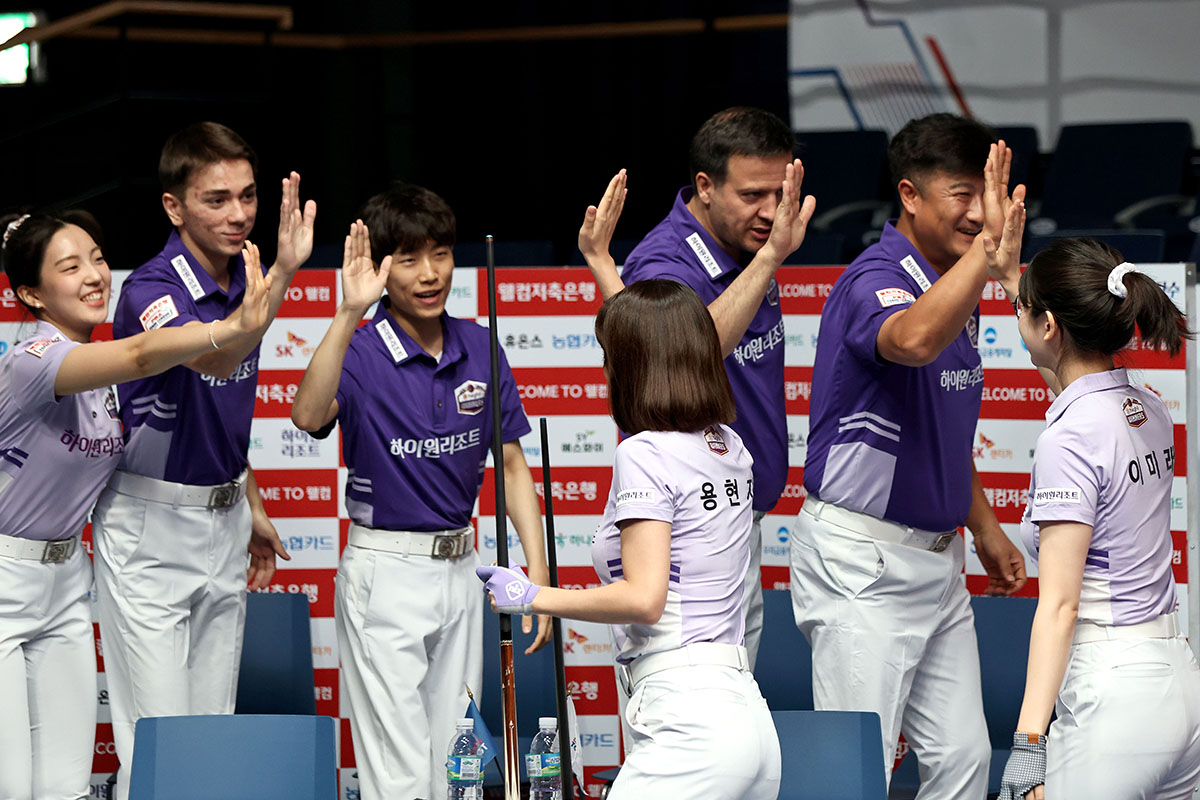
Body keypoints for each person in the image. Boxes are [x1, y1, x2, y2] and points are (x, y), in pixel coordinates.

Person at [791, 114, 1029, 798]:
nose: (981, 212)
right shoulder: (877, 278)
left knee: (964, 759)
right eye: (964, 192)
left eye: (990, 194)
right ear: (911, 195)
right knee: (854, 772)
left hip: (938, 562)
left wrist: (983, 527)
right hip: (864, 565)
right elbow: (914, 341)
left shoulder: (956, 278)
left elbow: (940, 421)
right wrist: (989, 253)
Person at [290, 184, 552, 800]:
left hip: (463, 571)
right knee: (399, 770)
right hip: (386, 573)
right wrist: (349, 311)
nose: (430, 273)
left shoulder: (480, 345)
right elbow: (306, 415)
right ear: (380, 268)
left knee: (456, 765)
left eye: (439, 253)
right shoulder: (356, 349)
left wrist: (537, 569)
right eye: (408, 259)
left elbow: (511, 464)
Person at [0, 211, 270, 800]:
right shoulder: (34, 361)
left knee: (67, 784)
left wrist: (249, 502)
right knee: (13, 784)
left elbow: (183, 420)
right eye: (70, 267)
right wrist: (232, 324)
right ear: (29, 294)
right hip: (3, 580)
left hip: (67, 582)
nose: (94, 275)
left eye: (98, 258)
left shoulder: (104, 374)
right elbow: (147, 352)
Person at [478, 278, 782, 799]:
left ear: (635, 365)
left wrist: (531, 595)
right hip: (747, 716)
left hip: (688, 716)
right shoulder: (729, 445)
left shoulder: (643, 452)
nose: (603, 370)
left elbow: (644, 598)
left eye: (609, 356)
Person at [89, 121, 315, 800]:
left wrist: (249, 499)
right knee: (161, 733)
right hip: (149, 530)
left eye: (247, 196)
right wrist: (281, 273)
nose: (240, 214)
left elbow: (215, 406)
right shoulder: (149, 290)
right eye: (217, 199)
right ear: (173, 206)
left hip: (220, 524)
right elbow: (215, 355)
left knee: (212, 728)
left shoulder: (242, 276)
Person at [579, 106, 816, 669]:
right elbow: (684, 349)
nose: (770, 211)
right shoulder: (665, 259)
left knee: (727, 696)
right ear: (705, 187)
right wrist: (771, 257)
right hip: (682, 524)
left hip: (732, 512)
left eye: (778, 193)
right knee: (688, 694)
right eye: (753, 194)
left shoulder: (745, 249)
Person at [996, 238, 1200, 800]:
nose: (1019, 316)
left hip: (1116, 693)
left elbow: (1059, 607)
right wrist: (1014, 281)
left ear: (1049, 326)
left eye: (1024, 310)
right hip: (1178, 683)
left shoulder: (1071, 438)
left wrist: (1028, 743)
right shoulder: (1148, 406)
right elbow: (1072, 380)